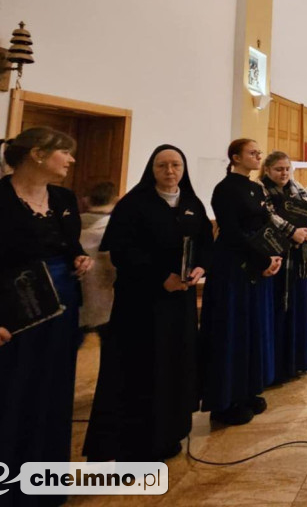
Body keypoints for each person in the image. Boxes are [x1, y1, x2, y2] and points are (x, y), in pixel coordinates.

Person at [0, 127, 92, 505]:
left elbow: (69, 245)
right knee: (3, 396)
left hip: (60, 311)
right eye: (65, 153)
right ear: (38, 154)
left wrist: (78, 259)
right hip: (7, 316)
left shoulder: (64, 198)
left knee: (51, 393)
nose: (71, 160)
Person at [83, 145, 212, 462]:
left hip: (179, 302)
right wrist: (159, 277)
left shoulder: (192, 203)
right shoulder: (133, 204)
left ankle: (170, 431)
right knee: (143, 365)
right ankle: (137, 439)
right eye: (162, 165)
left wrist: (200, 267)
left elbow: (205, 245)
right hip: (141, 302)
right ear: (151, 169)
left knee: (176, 363)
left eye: (176, 165)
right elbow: (122, 252)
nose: (170, 171)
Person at [201, 139, 304, 426]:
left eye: (259, 152)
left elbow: (264, 224)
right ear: (235, 157)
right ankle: (225, 401)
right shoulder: (225, 189)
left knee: (253, 328)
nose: (258, 156)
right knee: (233, 330)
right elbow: (233, 232)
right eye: (252, 153)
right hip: (234, 267)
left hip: (259, 264)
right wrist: (262, 260)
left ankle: (246, 390)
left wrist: (274, 254)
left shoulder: (254, 187)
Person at [260, 151, 307, 381]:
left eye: (287, 169)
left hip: (302, 257)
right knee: (282, 307)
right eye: (279, 169)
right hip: (279, 257)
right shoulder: (262, 190)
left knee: (301, 305)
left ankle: (304, 355)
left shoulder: (296, 187)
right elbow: (267, 216)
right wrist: (292, 232)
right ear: (267, 170)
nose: (284, 173)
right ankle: (283, 362)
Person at [78, 181, 118, 337]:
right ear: (115, 200)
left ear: (86, 200)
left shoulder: (72, 226)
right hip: (106, 304)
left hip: (76, 303)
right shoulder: (114, 229)